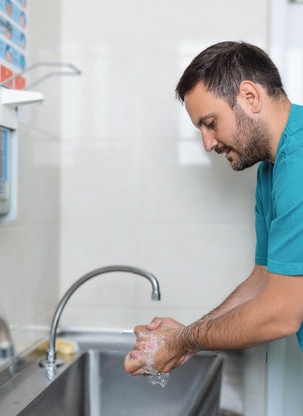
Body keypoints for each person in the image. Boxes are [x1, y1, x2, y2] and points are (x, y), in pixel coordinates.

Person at [124, 41, 303, 376]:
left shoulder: (300, 162)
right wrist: (183, 337)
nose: (208, 144)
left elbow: (281, 313)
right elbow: (263, 280)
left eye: (210, 122)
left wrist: (180, 342)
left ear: (250, 97)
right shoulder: (270, 169)